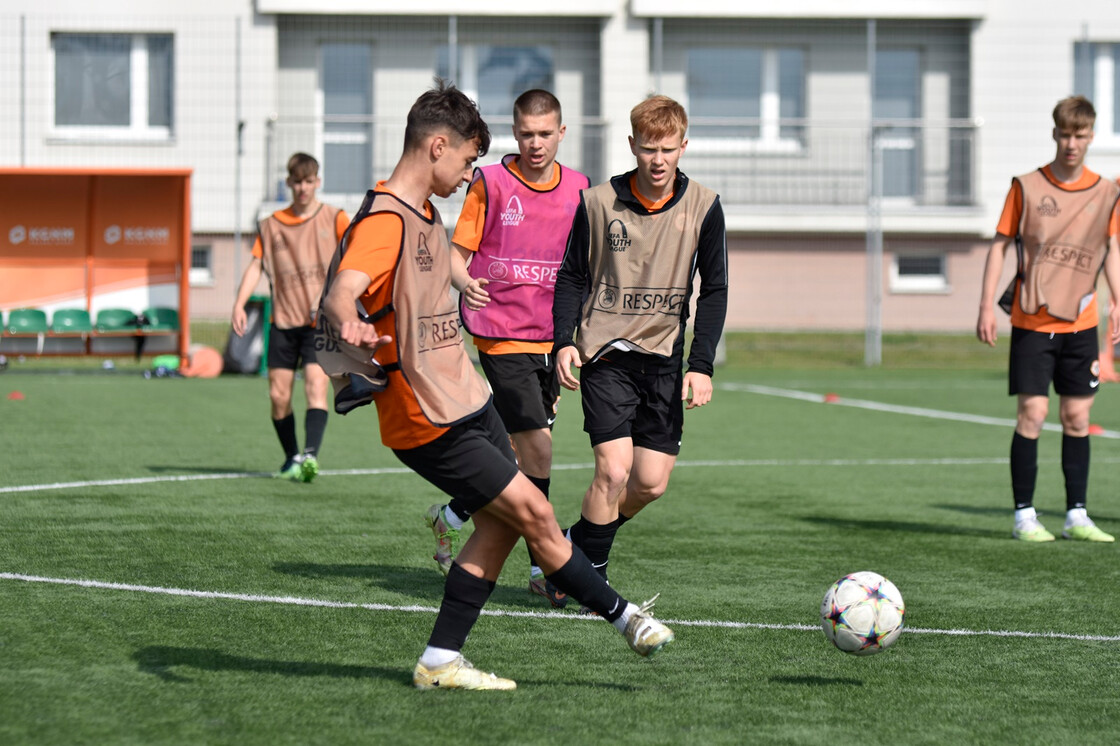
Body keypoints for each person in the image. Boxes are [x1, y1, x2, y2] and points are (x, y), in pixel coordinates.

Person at [317, 80, 674, 690]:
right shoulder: (383, 222)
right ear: (436, 147)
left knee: (502, 524)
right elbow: (341, 290)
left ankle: (440, 662)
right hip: (425, 415)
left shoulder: (424, 212)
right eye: (464, 159)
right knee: (534, 509)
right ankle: (625, 616)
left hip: (465, 394)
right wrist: (346, 317)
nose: (466, 175)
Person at [551, 95, 728, 606]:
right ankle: (591, 582)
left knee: (650, 483)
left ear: (683, 147)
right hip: (605, 354)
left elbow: (713, 289)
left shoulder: (705, 206)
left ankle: (569, 551)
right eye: (648, 148)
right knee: (613, 470)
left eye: (668, 149)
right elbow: (571, 277)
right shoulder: (598, 202)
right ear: (632, 145)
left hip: (665, 361)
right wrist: (565, 340)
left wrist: (701, 365)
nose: (657, 159)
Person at [424, 89, 590, 602]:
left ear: (562, 133)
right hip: (500, 335)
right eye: (525, 134)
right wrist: (463, 282)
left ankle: (451, 513)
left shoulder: (582, 189)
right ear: (514, 133)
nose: (535, 143)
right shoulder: (490, 182)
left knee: (517, 454)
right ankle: (548, 565)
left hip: (554, 341)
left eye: (545, 134)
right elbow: (457, 253)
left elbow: (583, 269)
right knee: (538, 447)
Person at [976, 95, 1120, 543]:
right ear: (1054, 134)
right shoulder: (1026, 186)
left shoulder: (1107, 193)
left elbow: (1112, 250)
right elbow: (999, 245)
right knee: (1033, 414)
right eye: (1064, 134)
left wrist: (1118, 300)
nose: (1071, 143)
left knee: (1077, 417)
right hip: (1032, 322)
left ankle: (1076, 515)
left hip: (1082, 323)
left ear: (1092, 136)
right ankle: (1024, 516)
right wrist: (985, 307)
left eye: (1080, 135)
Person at [231, 152, 349, 482]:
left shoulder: (335, 218)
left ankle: (310, 456)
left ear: (318, 182)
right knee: (278, 395)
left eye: (309, 181)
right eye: (297, 182)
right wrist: (238, 304)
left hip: (319, 323)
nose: (303, 188)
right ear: (288, 183)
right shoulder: (271, 225)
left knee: (315, 385)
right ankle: (291, 458)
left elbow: (355, 254)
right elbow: (256, 265)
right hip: (283, 321)